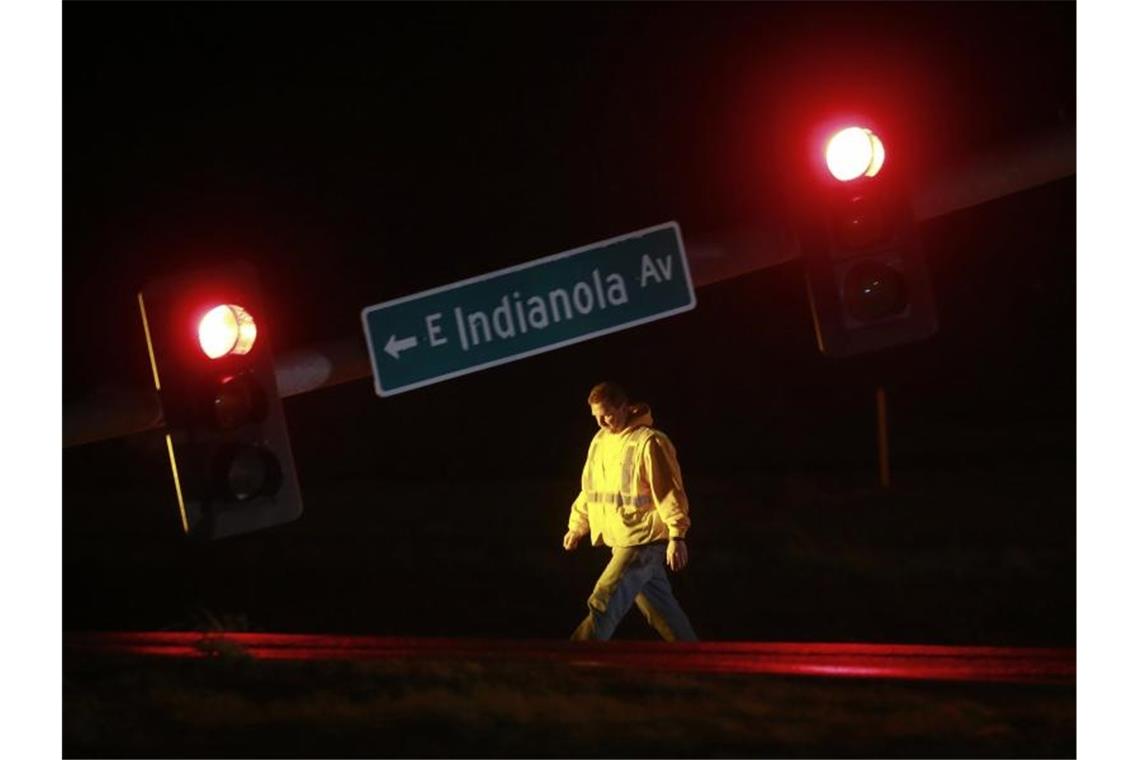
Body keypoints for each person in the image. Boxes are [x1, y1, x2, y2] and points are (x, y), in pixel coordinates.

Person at [563, 381, 697, 641]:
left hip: (642, 541)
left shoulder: (650, 442)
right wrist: (577, 526)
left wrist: (677, 536)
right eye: (596, 417)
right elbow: (590, 489)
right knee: (663, 612)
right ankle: (698, 660)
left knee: (603, 600)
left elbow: (669, 491)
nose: (601, 422)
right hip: (624, 538)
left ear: (625, 407)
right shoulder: (600, 441)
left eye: (607, 414)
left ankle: (571, 660)